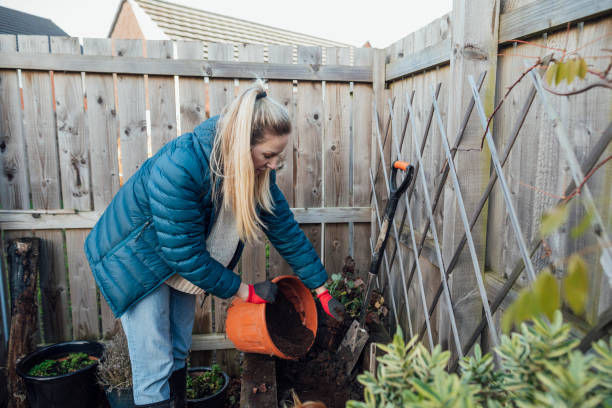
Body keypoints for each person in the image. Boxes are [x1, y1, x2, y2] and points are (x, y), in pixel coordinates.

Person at [84, 79, 345, 407]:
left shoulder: (255, 172)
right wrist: (246, 292)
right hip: (135, 259)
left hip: (176, 258)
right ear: (241, 144)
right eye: (269, 154)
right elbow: (187, 255)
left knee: (179, 349)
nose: (275, 163)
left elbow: (285, 230)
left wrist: (320, 290)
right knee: (154, 364)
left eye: (278, 155)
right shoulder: (181, 167)